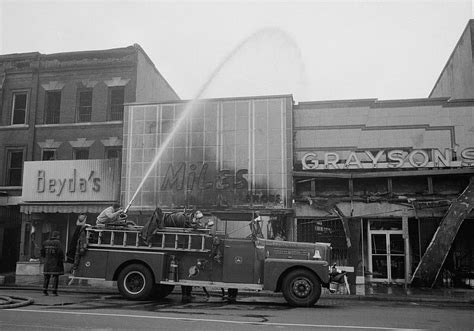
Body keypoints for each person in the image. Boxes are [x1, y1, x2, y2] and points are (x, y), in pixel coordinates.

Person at [40, 231, 64, 296]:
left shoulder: (45, 242)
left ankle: (44, 291)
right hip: (55, 262)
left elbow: (42, 252)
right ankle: (54, 292)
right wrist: (62, 259)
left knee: (46, 277)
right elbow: (60, 252)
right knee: (55, 277)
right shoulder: (58, 242)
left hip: (47, 262)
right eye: (59, 236)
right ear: (57, 236)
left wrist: (45, 258)